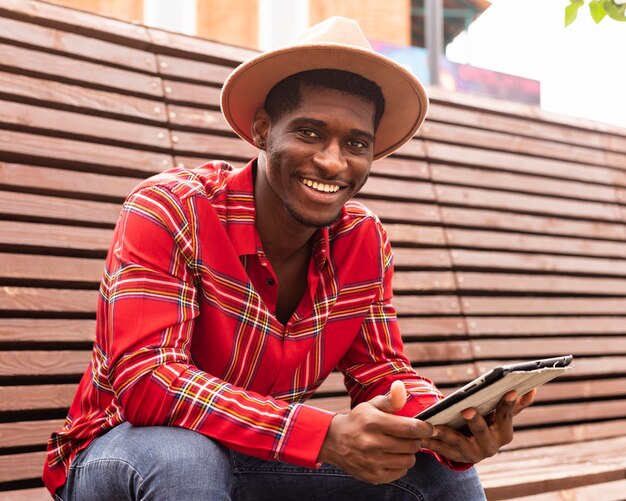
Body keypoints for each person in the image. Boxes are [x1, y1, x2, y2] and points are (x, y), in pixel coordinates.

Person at [43, 16, 535, 500]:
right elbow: (148, 382)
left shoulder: (362, 239)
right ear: (262, 130)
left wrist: (449, 424)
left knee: (436, 473)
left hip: (254, 454)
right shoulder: (172, 208)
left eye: (356, 143)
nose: (333, 161)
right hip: (119, 456)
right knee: (185, 458)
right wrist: (322, 435)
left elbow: (382, 373)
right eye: (310, 133)